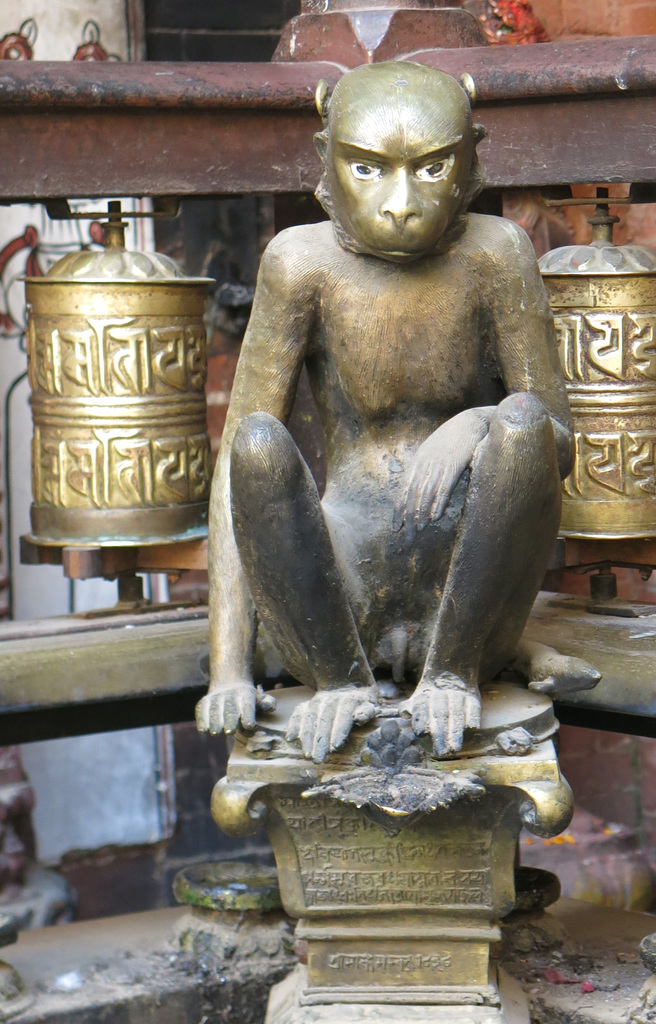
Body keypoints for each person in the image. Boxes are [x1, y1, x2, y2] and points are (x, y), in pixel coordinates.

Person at [196, 60, 596, 762]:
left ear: (473, 154)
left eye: (433, 169)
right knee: (257, 442)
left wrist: (476, 425)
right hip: (334, 591)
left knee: (524, 419)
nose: (402, 202)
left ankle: (452, 672)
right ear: (326, 158)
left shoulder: (497, 253)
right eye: (370, 169)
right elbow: (237, 475)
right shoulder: (299, 264)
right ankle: (341, 681)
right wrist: (227, 669)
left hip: (467, 588)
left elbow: (556, 444)